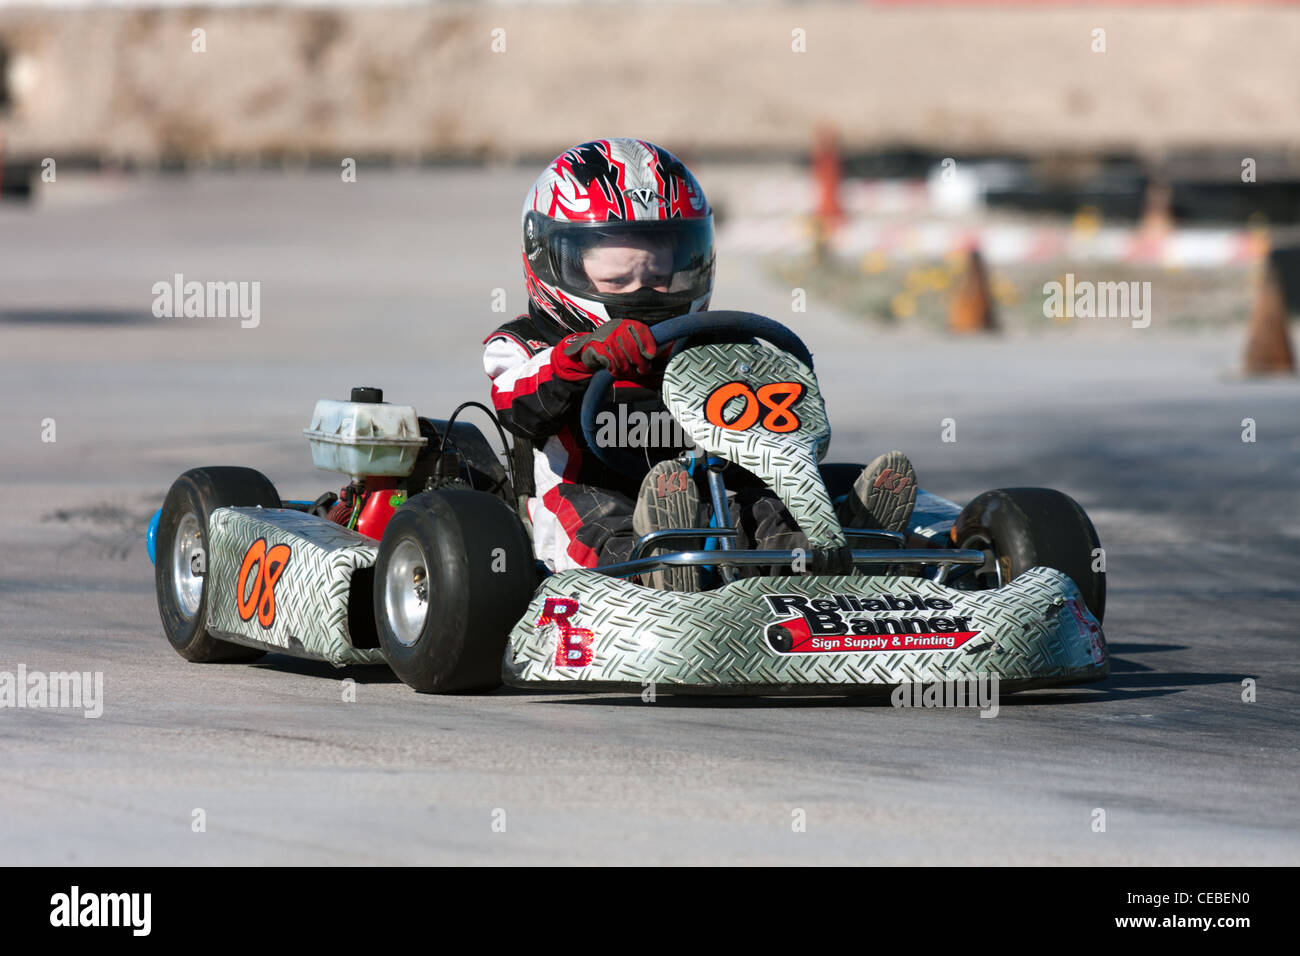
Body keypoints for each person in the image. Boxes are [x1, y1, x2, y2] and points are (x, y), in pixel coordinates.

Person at [484, 138, 916, 585]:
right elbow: (518, 401)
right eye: (617, 278)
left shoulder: (707, 340)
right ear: (549, 257)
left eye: (658, 277)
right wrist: (584, 354)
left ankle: (838, 551)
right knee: (601, 519)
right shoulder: (525, 343)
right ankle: (657, 564)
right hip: (584, 501)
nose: (644, 293)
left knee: (764, 506)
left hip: (707, 492)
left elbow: (771, 415)